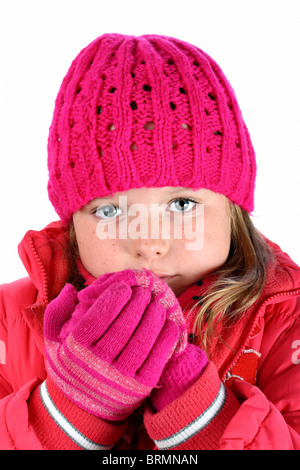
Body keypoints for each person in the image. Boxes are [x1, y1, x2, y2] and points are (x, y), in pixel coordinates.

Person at [0, 33, 299, 451]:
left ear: (233, 209)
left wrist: (202, 416)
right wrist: (68, 414)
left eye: (180, 203)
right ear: (72, 224)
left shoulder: (288, 321)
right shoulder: (11, 320)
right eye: (110, 211)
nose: (148, 244)